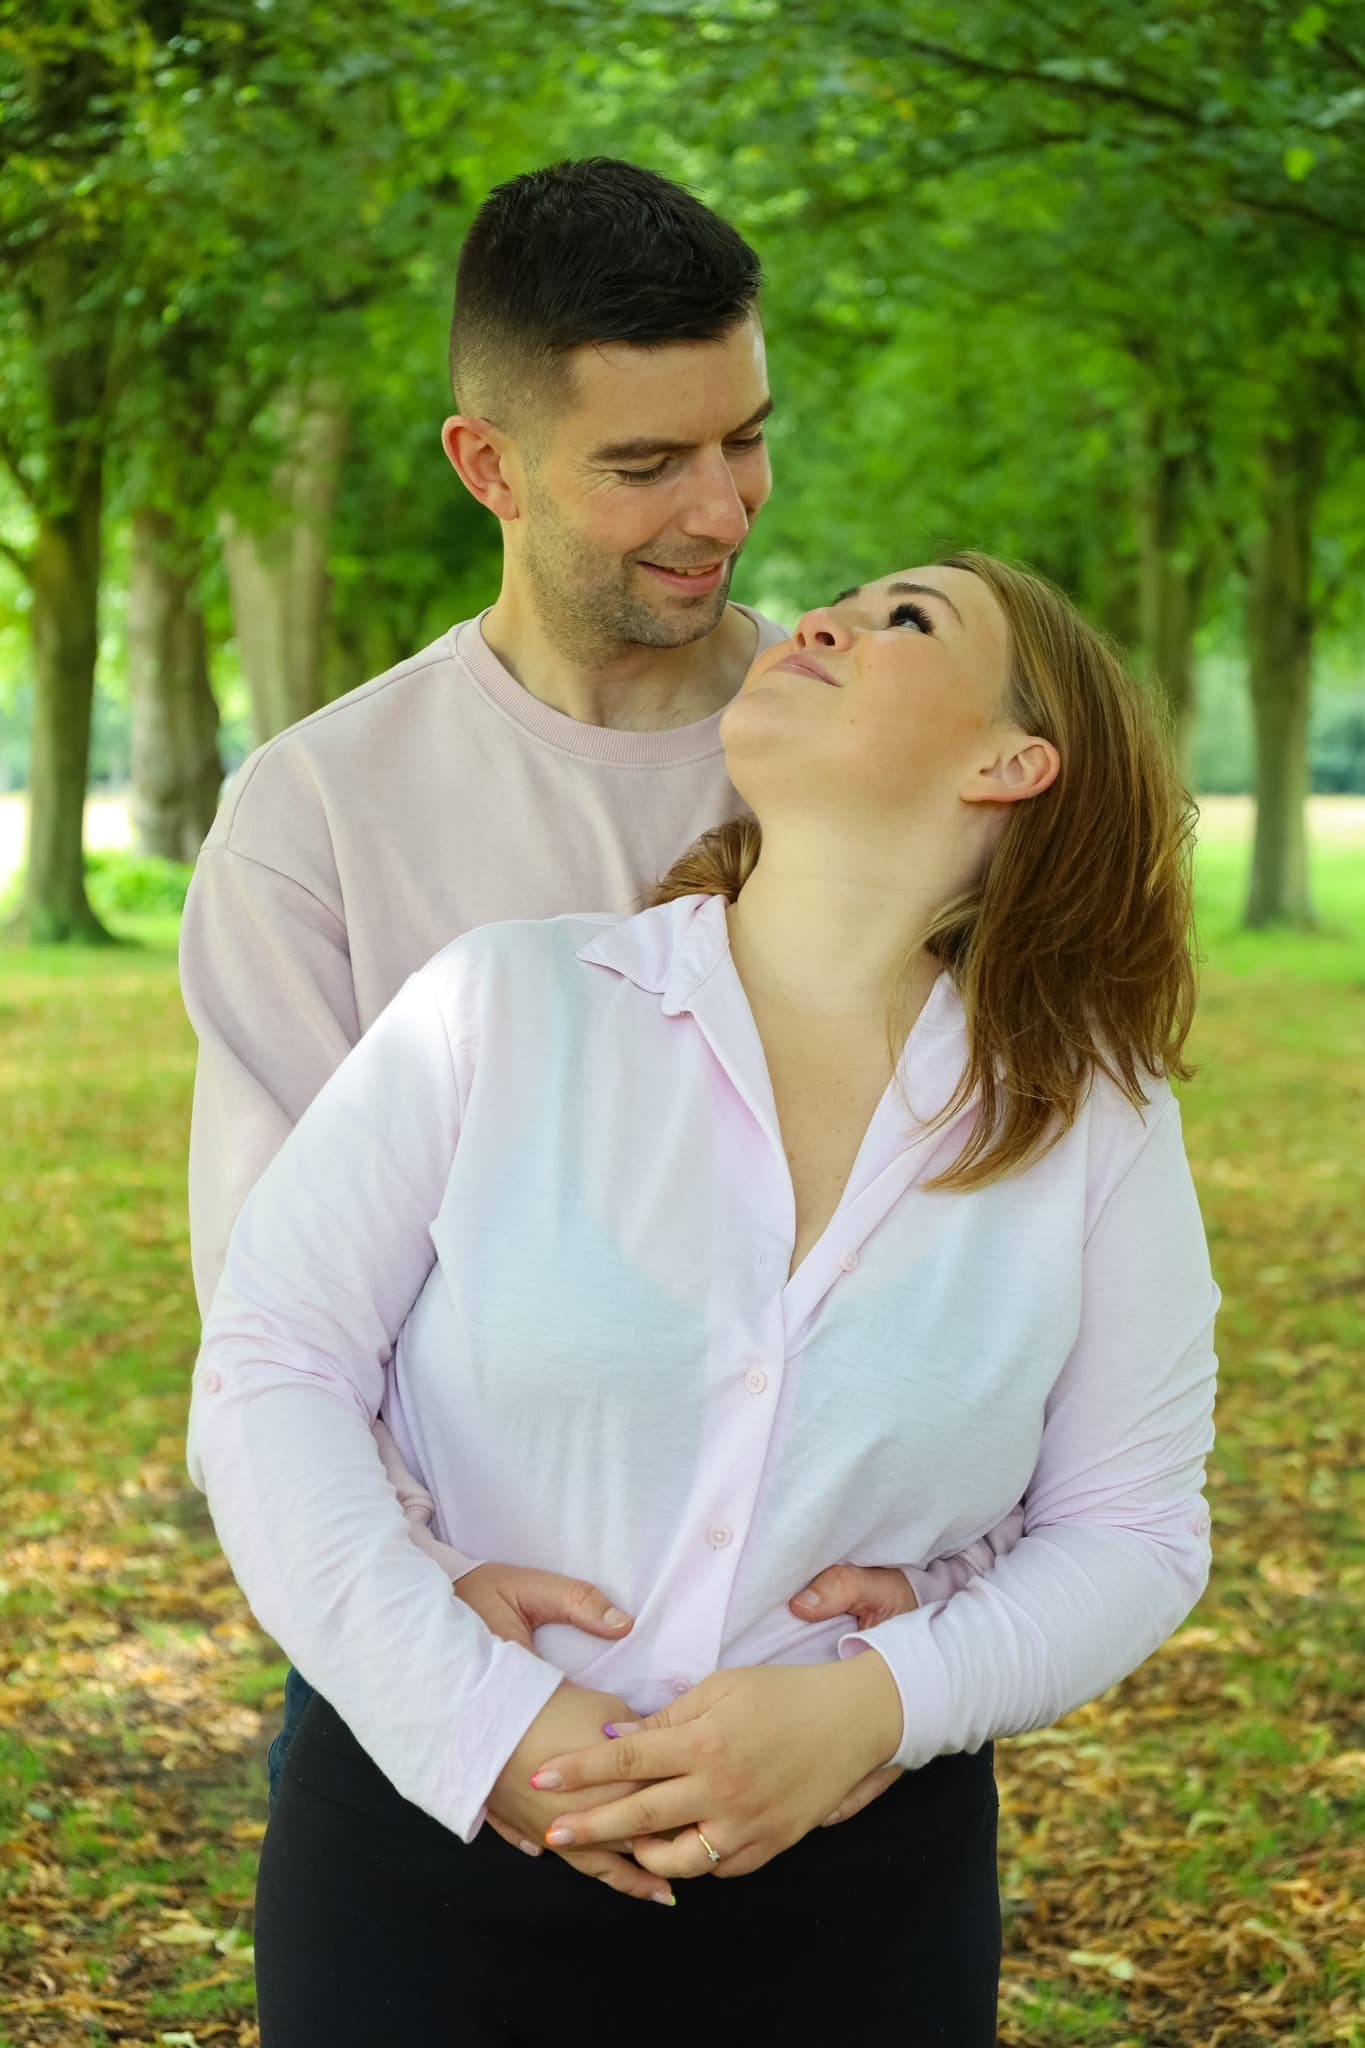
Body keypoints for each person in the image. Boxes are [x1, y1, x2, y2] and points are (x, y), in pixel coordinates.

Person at [188, 550, 1220, 2044]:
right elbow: (271, 1369)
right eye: (840, 602)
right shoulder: (501, 1005)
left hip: (857, 1899)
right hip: (426, 1857)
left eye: (903, 620)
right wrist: (476, 1719)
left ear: (1012, 762)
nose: (823, 619)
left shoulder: (1093, 1129)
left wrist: (881, 1700)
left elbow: (1133, 1530)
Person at [179, 154, 1021, 1885]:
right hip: (452, 1709)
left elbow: (1009, 1214)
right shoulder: (320, 811)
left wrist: (937, 1611)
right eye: (644, 465)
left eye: (744, 440)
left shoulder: (879, 755)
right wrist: (445, 1661)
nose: (720, 511)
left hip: (827, 1744)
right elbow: (271, 1313)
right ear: (488, 464)